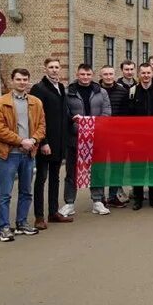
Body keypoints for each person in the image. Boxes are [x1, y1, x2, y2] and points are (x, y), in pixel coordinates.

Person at [0, 68, 47, 241]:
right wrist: (20, 141)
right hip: (9, 154)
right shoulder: (0, 103)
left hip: (28, 154)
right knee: (5, 193)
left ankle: (22, 223)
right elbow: (0, 130)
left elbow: (41, 126)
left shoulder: (36, 102)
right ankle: (4, 227)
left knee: (26, 191)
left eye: (25, 79)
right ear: (12, 81)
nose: (22, 82)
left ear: (29, 81)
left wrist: (33, 140)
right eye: (18, 79)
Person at [63, 64, 112, 218]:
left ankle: (97, 201)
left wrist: (93, 124)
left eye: (88, 74)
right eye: (82, 74)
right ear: (77, 74)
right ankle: (69, 203)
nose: (85, 77)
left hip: (96, 138)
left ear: (92, 75)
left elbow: (107, 112)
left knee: (97, 170)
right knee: (72, 171)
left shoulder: (101, 92)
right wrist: (73, 120)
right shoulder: (68, 92)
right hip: (75, 138)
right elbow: (65, 114)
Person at [29, 58, 70, 229]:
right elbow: (36, 117)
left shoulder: (60, 87)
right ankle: (39, 216)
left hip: (59, 142)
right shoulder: (39, 89)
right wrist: (43, 142)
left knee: (55, 178)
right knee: (41, 178)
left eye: (56, 67)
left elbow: (61, 113)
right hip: (45, 143)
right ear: (45, 69)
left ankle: (53, 212)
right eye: (51, 67)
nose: (54, 70)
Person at [128, 63, 153, 210]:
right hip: (138, 139)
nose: (146, 76)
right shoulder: (132, 92)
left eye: (148, 73)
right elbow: (128, 118)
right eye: (143, 73)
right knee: (137, 169)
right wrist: (130, 139)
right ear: (139, 74)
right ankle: (138, 199)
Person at [98, 65, 130, 208]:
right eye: (105, 74)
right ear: (101, 76)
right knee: (101, 165)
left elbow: (126, 114)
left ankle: (113, 196)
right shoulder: (96, 91)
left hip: (118, 134)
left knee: (117, 166)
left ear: (114, 74)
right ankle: (99, 197)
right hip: (101, 134)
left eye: (111, 74)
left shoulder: (122, 91)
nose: (108, 76)